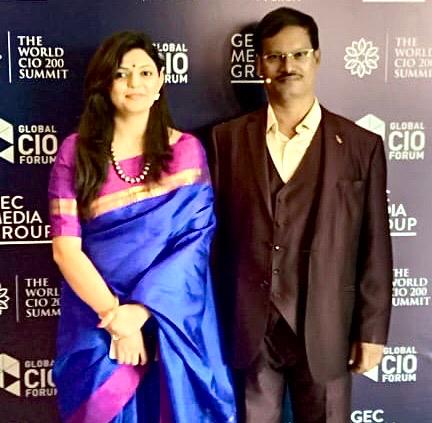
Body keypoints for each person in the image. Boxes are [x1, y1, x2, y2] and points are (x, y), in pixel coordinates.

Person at [210, 7, 392, 423]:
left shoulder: (361, 146)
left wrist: (371, 331)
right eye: (275, 56)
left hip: (329, 327)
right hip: (249, 329)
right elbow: (213, 241)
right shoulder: (226, 140)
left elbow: (375, 244)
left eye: (298, 54)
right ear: (260, 65)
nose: (287, 66)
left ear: (317, 58)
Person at [49, 31, 236, 423]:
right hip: (97, 317)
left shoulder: (186, 151)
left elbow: (194, 243)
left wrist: (141, 311)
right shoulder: (76, 151)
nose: (134, 82)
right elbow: (66, 250)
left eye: (145, 72)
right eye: (122, 73)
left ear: (160, 81)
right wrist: (117, 319)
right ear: (106, 83)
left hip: (170, 316)